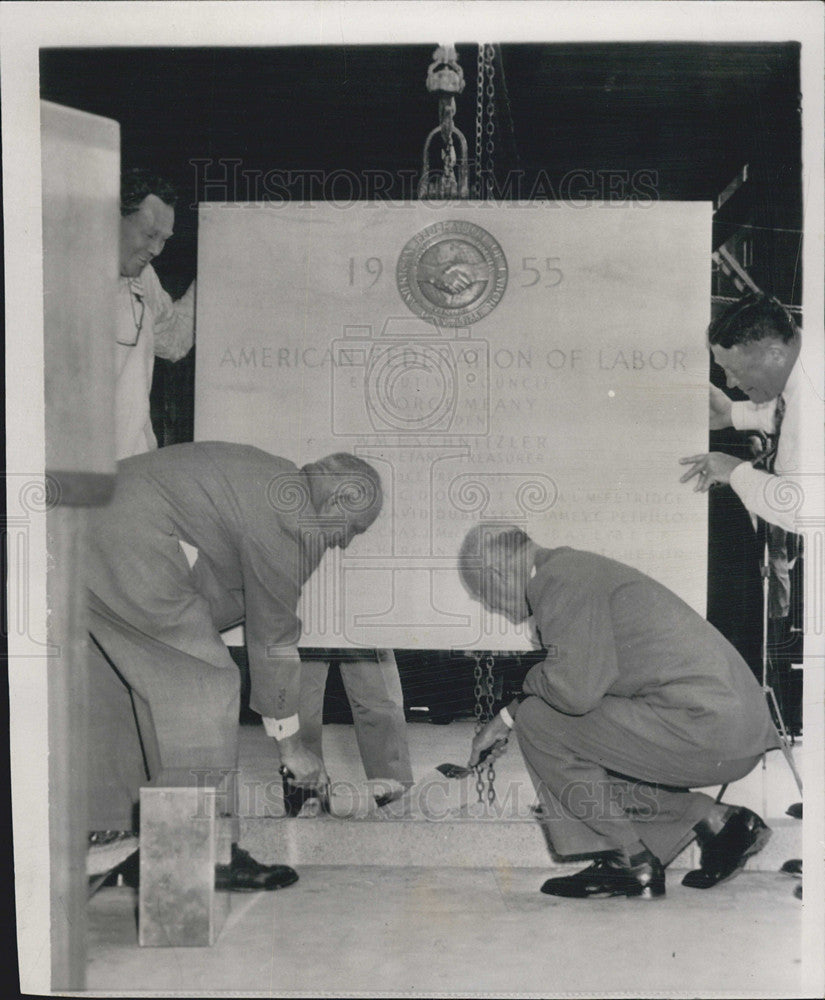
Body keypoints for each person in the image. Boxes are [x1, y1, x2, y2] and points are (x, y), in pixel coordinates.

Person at [87, 443, 383, 890]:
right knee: (202, 685)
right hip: (128, 537)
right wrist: (291, 746)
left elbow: (221, 596)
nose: (344, 542)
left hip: (80, 526)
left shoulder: (269, 481)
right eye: (353, 529)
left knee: (122, 683)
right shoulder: (293, 516)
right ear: (339, 500)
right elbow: (274, 635)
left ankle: (111, 839)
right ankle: (190, 861)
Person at [457, 524, 780, 900]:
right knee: (565, 733)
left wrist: (509, 715)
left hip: (708, 728)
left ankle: (628, 860)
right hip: (726, 728)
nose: (492, 607)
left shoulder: (558, 579)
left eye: (484, 596)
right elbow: (585, 683)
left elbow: (573, 693)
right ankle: (716, 821)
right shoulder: (574, 570)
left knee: (540, 724)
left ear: (496, 574)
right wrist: (509, 712)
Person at [117, 168, 195, 459]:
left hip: (133, 466)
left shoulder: (144, 277)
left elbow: (174, 340)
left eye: (164, 239)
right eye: (150, 235)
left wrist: (212, 277)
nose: (156, 249)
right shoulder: (57, 274)